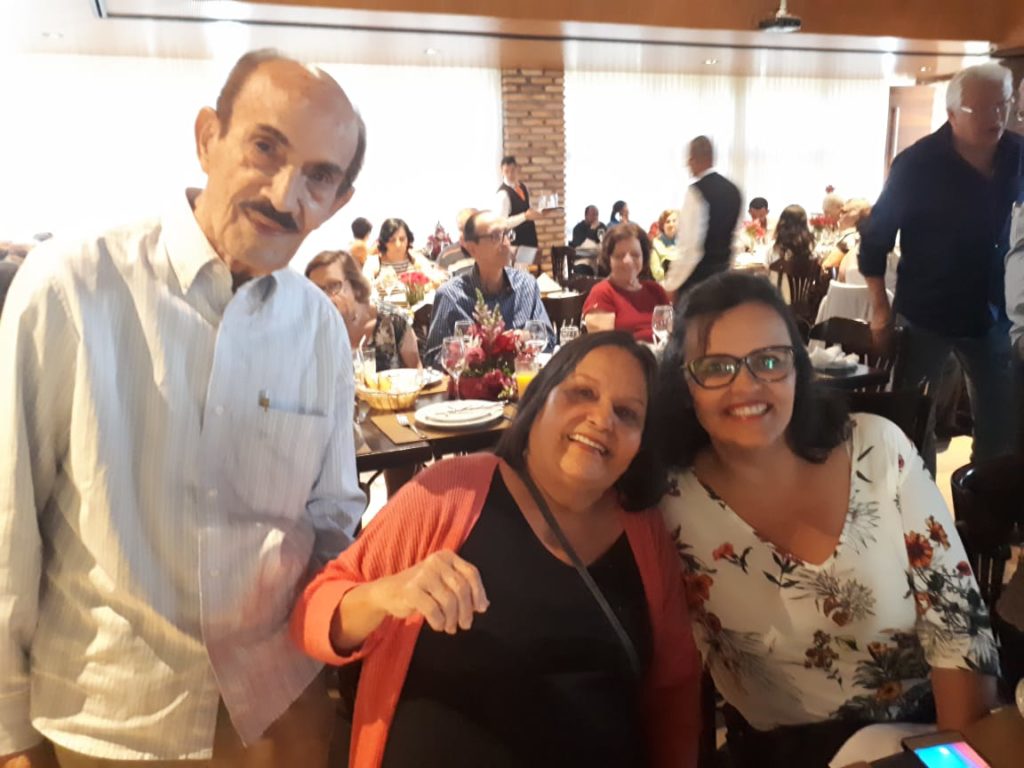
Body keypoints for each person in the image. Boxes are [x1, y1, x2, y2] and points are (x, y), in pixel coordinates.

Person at [0, 49, 368, 767]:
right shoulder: (73, 286)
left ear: (338, 201)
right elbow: (8, 522)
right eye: (266, 148)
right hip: (111, 725)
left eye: (319, 176)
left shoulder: (319, 327)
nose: (285, 192)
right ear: (208, 137)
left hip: (275, 718)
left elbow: (330, 520)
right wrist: (9, 734)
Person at [291, 331, 701, 768]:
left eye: (627, 413)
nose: (602, 420)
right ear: (538, 399)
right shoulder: (450, 492)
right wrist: (383, 595)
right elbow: (311, 616)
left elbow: (674, 689)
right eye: (582, 393)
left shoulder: (645, 531)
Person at [656, 271, 999, 768]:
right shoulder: (667, 504)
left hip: (926, 738)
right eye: (716, 367)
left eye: (769, 361)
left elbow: (958, 634)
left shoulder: (877, 450)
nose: (747, 385)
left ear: (799, 369)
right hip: (780, 754)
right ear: (684, 384)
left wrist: (951, 760)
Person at [860, 62, 1024, 472]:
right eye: (980, 109)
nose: (996, 116)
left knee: (1000, 427)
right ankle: (922, 501)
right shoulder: (917, 165)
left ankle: (983, 506)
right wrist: (880, 309)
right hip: (927, 313)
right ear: (951, 114)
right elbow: (876, 238)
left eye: (1003, 105)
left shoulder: (1018, 156)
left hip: (995, 314)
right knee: (913, 421)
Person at [425, 210, 554, 367]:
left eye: (507, 234)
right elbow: (433, 359)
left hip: (522, 379)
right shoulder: (451, 295)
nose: (506, 243)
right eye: (495, 236)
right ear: (472, 248)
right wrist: (468, 354)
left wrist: (525, 338)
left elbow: (549, 341)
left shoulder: (526, 285)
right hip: (472, 382)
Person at [305, 249, 420, 370]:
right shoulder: (315, 331)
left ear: (354, 285)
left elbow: (416, 370)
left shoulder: (393, 320)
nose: (325, 298)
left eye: (334, 285)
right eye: (317, 291)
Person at [664, 135, 742, 297]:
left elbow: (690, 246)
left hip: (698, 281)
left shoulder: (696, 192)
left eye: (689, 158)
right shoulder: (734, 191)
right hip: (722, 277)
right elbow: (734, 239)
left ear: (695, 158)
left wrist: (671, 284)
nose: (687, 164)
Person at [583, 222, 670, 342]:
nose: (628, 261)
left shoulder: (655, 290)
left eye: (635, 255)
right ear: (608, 259)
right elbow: (605, 346)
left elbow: (671, 335)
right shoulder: (602, 293)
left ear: (644, 257)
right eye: (619, 256)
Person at [494, 155, 541, 251]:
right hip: (515, 241)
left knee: (532, 260)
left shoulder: (523, 187)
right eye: (506, 171)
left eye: (512, 170)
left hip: (530, 238)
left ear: (517, 169)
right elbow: (502, 223)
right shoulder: (503, 194)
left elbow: (527, 208)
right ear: (502, 171)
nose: (510, 174)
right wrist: (525, 216)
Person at [649, 209, 679, 282]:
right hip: (667, 284)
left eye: (674, 221)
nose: (671, 224)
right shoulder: (655, 244)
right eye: (668, 222)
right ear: (662, 225)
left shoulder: (685, 241)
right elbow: (657, 274)